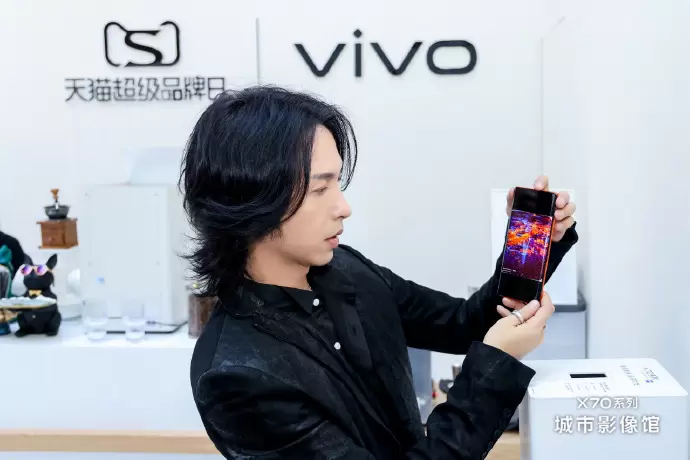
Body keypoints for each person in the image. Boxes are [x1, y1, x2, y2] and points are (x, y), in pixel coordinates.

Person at [183, 86, 578, 459]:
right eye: (320, 189)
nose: (344, 207)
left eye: (337, 183)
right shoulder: (236, 377)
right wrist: (495, 365)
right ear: (253, 200)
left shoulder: (345, 268)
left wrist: (531, 248)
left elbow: (463, 323)